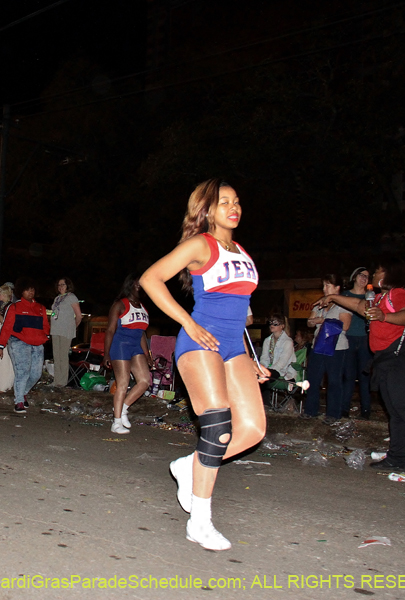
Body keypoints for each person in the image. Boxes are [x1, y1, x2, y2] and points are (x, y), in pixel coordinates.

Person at [139, 179, 266, 551]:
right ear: (207, 209)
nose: (234, 207)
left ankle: (188, 465)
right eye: (224, 201)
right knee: (218, 426)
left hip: (233, 346)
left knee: (253, 429)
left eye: (236, 201)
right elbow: (150, 278)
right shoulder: (200, 245)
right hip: (200, 341)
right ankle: (200, 521)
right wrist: (188, 322)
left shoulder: (241, 250)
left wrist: (250, 358)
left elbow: (240, 310)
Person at [316, 258, 405, 477]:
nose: (373, 275)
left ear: (389, 274)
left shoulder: (398, 294)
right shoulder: (380, 298)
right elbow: (359, 306)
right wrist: (332, 297)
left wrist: (385, 316)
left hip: (401, 359)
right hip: (386, 360)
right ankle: (398, 459)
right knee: (396, 410)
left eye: (378, 271)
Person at [103, 275, 152, 434]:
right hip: (121, 345)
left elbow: (142, 333)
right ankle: (116, 422)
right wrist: (106, 354)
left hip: (136, 346)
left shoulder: (143, 307)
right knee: (123, 384)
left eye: (141, 285)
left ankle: (123, 409)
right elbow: (110, 330)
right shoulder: (120, 304)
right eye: (137, 284)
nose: (140, 287)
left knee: (144, 381)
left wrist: (147, 355)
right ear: (130, 285)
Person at [0, 277, 49, 413]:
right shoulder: (14, 307)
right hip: (18, 343)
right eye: (27, 290)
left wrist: (45, 337)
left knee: (36, 374)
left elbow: (45, 326)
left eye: (32, 289)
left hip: (37, 344)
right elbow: (6, 328)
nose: (30, 292)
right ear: (21, 291)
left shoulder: (41, 308)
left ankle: (23, 392)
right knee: (22, 372)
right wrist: (0, 347)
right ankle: (19, 401)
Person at [303, 274, 352, 424]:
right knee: (313, 378)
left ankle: (333, 414)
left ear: (337, 288)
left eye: (327, 285)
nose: (324, 289)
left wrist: (322, 320)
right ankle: (310, 410)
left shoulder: (344, 304)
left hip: (337, 347)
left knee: (334, 380)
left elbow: (345, 325)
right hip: (318, 345)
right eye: (323, 285)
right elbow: (309, 321)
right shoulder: (321, 303)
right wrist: (312, 321)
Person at [341, 267, 373, 419]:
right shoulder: (345, 295)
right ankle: (344, 409)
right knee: (348, 376)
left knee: (364, 376)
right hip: (349, 338)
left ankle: (366, 410)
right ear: (354, 277)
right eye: (361, 275)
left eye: (367, 276)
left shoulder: (371, 297)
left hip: (365, 339)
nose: (364, 278)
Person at [50, 278, 83, 387]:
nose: (60, 287)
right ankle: (56, 380)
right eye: (59, 285)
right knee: (56, 356)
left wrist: (73, 327)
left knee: (63, 356)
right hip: (55, 330)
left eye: (63, 284)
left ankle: (62, 382)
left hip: (65, 331)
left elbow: (79, 316)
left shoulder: (71, 297)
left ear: (68, 285)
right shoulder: (57, 298)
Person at [258, 313, 295, 403]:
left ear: (282, 326)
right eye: (270, 322)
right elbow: (264, 358)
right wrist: (262, 368)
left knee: (266, 377)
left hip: (284, 371)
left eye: (275, 323)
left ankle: (265, 403)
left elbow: (282, 362)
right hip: (270, 369)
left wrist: (268, 371)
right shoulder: (267, 340)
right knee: (256, 374)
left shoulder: (288, 342)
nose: (272, 325)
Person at [0, 284, 15, 392]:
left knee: (5, 359)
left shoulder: (10, 306)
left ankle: (5, 385)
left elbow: (5, 323)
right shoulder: (3, 306)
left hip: (5, 332)